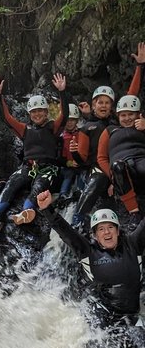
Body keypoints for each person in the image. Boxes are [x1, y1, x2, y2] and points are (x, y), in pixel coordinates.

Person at [37, 190, 145, 327]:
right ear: (95, 235)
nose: (107, 232)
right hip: (103, 317)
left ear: (117, 231)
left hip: (131, 315)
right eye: (101, 229)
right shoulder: (88, 251)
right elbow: (67, 233)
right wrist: (47, 209)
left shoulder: (133, 244)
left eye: (111, 227)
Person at [70, 42, 145, 230]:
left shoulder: (117, 123)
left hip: (124, 164)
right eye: (99, 102)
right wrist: (75, 154)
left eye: (107, 103)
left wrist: (140, 67)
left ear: (113, 107)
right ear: (93, 105)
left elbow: (131, 96)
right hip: (101, 167)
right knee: (98, 178)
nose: (103, 106)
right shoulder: (87, 127)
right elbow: (83, 158)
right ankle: (78, 218)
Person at [0, 73, 68, 230]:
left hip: (48, 168)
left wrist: (62, 91)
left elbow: (65, 115)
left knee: (39, 185)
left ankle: (26, 211)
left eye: (40, 111)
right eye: (34, 112)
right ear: (29, 114)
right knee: (12, 182)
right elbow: (6, 118)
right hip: (28, 166)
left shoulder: (52, 127)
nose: (37, 114)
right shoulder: (25, 130)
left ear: (46, 112)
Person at [97, 95, 145, 216]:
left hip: (141, 161)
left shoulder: (141, 126)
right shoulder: (109, 130)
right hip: (121, 167)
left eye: (131, 114)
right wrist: (113, 178)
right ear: (118, 116)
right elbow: (101, 158)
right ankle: (134, 213)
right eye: (123, 115)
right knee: (118, 167)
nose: (127, 118)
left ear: (138, 115)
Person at [56, 104, 86, 206]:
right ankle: (63, 195)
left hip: (80, 164)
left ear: (76, 121)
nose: (69, 123)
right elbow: (58, 157)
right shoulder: (60, 137)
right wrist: (68, 163)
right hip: (66, 166)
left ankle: (80, 192)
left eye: (72, 120)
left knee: (82, 173)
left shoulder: (82, 134)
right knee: (69, 174)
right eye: (67, 120)